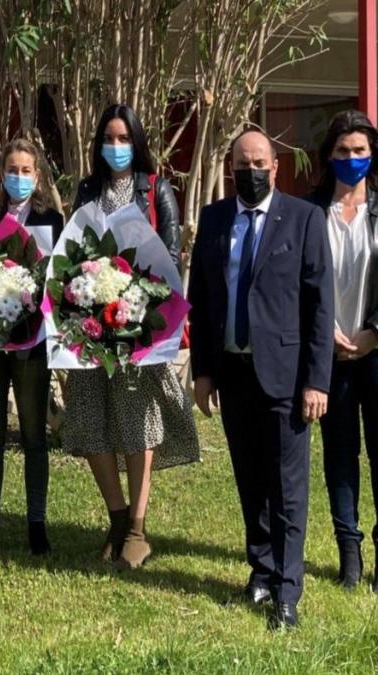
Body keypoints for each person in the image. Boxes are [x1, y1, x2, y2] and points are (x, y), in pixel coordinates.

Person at [189, 129, 333, 630]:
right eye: (240, 164)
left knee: (288, 487)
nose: (249, 171)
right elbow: (202, 301)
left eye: (258, 162)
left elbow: (320, 307)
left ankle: (287, 591)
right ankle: (261, 570)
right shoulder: (213, 220)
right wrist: (203, 371)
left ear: (274, 166)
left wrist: (318, 381)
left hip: (288, 377)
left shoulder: (305, 218)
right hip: (233, 372)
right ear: (231, 168)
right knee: (250, 479)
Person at [64, 103, 199, 570]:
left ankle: (138, 531)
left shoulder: (157, 190)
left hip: (140, 324)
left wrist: (144, 309)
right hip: (90, 326)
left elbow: (170, 258)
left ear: (136, 143)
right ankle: (117, 519)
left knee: (137, 422)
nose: (116, 147)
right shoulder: (87, 189)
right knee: (90, 418)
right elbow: (74, 250)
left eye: (124, 139)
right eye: (109, 138)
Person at [0, 139, 64, 556]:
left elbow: (61, 280)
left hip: (33, 342)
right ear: (1, 173)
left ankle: (36, 525)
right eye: (12, 169)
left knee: (33, 437)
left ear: (38, 177)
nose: (19, 177)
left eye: (26, 171)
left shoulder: (53, 219)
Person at [306, 109, 378, 592]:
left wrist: (375, 330)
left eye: (360, 152)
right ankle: (348, 552)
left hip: (375, 351)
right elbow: (299, 284)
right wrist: (322, 331)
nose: (351, 159)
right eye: (342, 151)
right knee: (340, 455)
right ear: (328, 155)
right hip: (328, 354)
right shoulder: (310, 213)